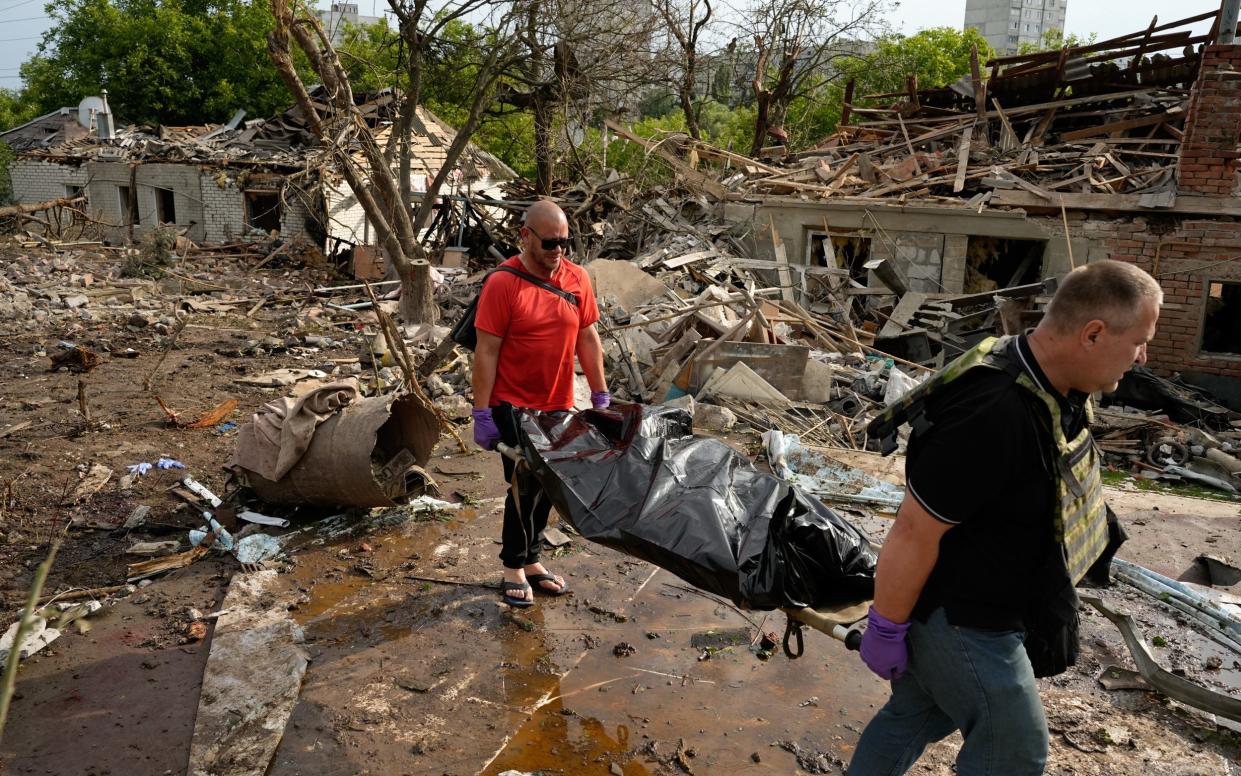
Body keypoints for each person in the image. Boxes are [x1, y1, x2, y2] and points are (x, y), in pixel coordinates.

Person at [849, 259, 1162, 776]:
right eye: (1138, 341)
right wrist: (885, 627)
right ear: (1093, 334)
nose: (1142, 356)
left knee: (913, 717)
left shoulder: (1051, 386)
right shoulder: (991, 413)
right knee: (1014, 752)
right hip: (965, 622)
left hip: (995, 604)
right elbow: (912, 531)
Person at [470, 200, 610, 607]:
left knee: (550, 483)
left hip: (558, 402)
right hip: (512, 402)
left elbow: (587, 338)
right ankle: (512, 565)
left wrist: (600, 393)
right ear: (525, 236)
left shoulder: (577, 279)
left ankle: (533, 560)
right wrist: (482, 412)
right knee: (523, 483)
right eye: (549, 242)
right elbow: (486, 352)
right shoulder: (503, 283)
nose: (558, 251)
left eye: (565, 242)